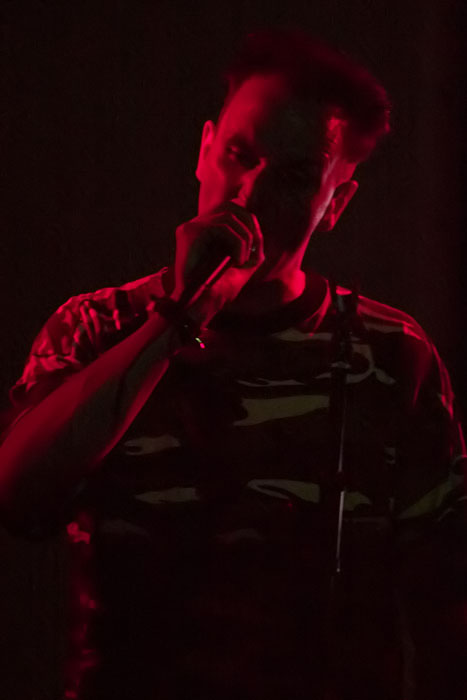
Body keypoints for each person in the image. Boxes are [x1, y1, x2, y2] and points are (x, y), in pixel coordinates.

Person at [0, 29, 465, 700]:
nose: (247, 194)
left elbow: (444, 598)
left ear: (335, 204)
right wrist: (178, 318)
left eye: (295, 177)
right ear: (204, 150)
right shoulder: (98, 328)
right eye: (239, 156)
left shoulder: (390, 354)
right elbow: (18, 499)